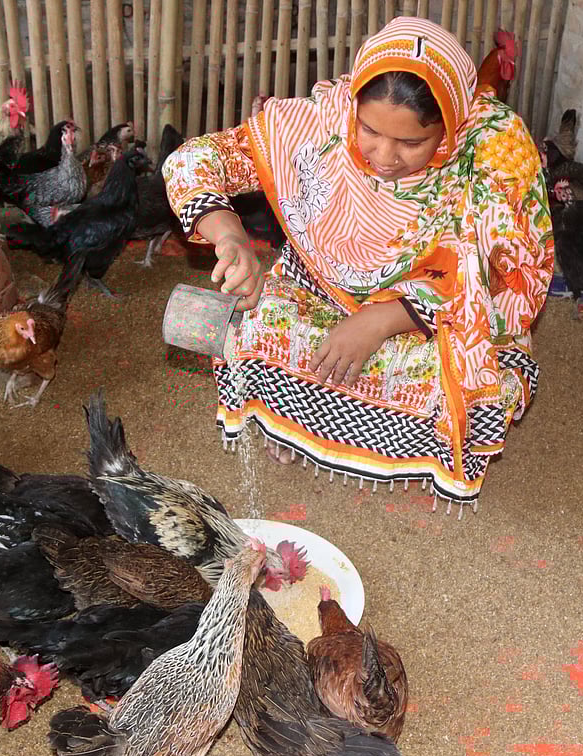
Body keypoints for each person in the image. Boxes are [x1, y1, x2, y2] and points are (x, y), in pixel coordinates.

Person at [162, 16, 553, 510]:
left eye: (411, 142)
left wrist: (383, 319)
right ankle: (295, 420)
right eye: (369, 130)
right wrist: (231, 236)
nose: (384, 156)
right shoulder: (320, 125)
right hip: (322, 286)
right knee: (255, 319)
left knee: (476, 380)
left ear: (450, 126)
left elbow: (509, 282)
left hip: (437, 310)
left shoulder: (490, 156)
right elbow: (193, 160)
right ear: (354, 109)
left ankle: (401, 443)